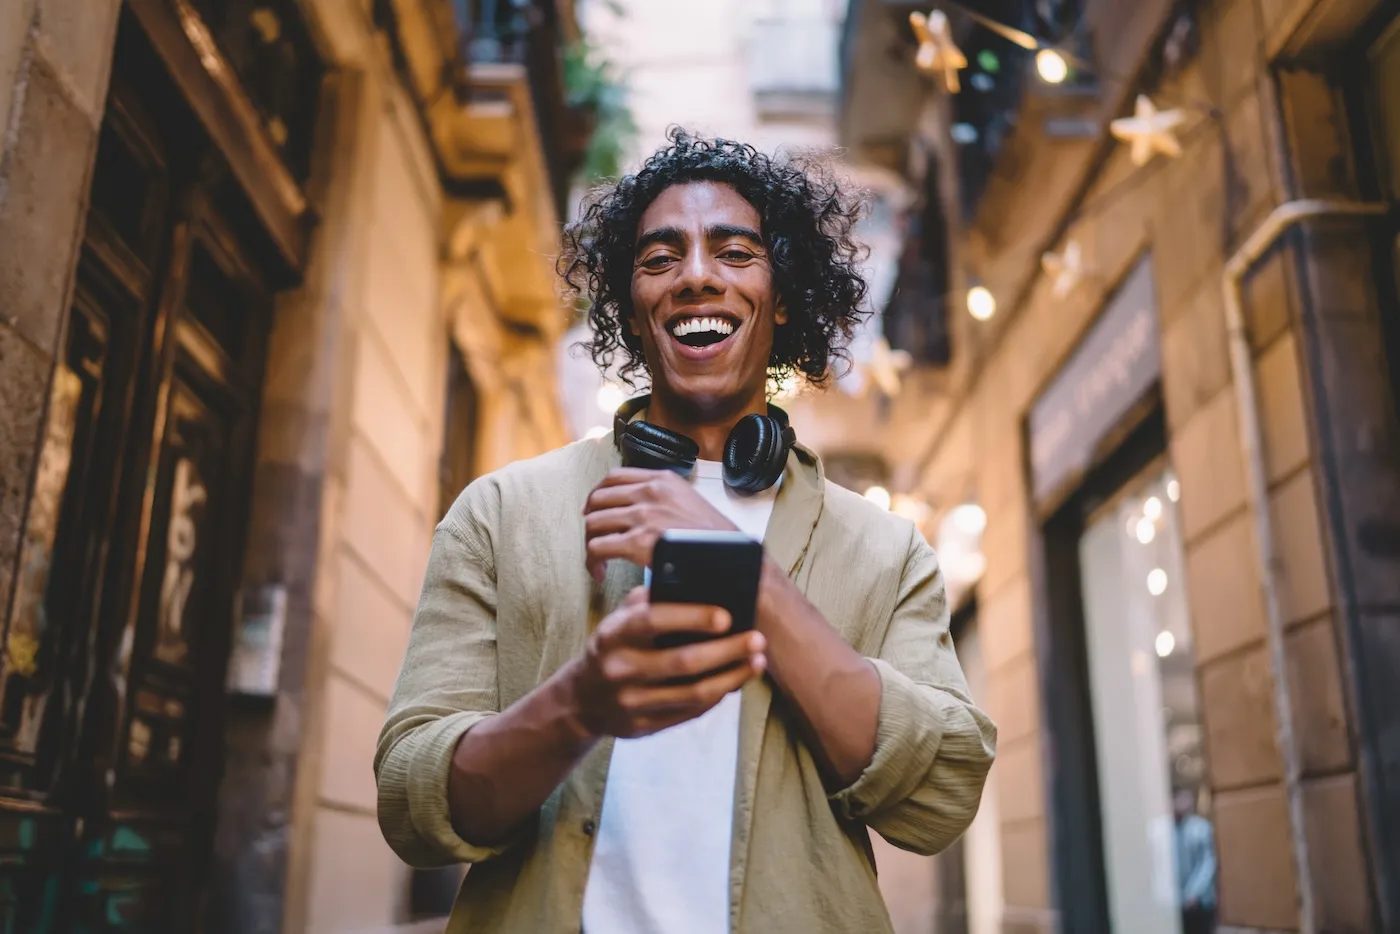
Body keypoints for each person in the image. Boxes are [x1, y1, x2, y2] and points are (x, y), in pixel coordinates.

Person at [374, 128, 997, 934]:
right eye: (660, 258)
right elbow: (411, 806)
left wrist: (745, 574)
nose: (696, 275)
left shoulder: (886, 550)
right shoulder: (500, 513)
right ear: (632, 310)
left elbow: (942, 795)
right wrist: (578, 703)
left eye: (735, 253)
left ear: (783, 298)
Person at [1174, 787, 1218, 934]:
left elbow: (1208, 862)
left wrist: (1194, 892)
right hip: (1177, 903)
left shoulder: (1201, 827)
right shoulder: (1166, 829)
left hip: (1199, 902)